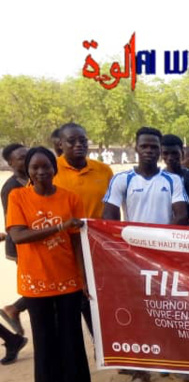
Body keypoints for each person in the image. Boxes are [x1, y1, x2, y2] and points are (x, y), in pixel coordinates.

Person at [6, 147, 92, 382]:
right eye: (35, 167)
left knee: (71, 335)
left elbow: (77, 241)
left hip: (67, 277)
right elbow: (18, 236)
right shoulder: (18, 197)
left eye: (46, 167)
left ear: (55, 169)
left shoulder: (70, 198)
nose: (41, 172)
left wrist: (83, 276)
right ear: (28, 171)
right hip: (36, 280)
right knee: (44, 338)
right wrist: (58, 227)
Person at [103, 127, 189, 382]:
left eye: (155, 147)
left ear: (160, 151)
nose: (150, 151)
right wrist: (127, 245)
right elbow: (108, 217)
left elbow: (181, 215)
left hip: (163, 257)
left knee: (167, 311)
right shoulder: (122, 180)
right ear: (136, 149)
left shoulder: (173, 180)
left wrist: (158, 245)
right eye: (145, 147)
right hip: (132, 257)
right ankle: (140, 371)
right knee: (137, 312)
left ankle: (172, 365)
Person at [53, 123, 113, 336]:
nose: (79, 145)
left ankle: (104, 346)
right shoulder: (49, 170)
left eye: (83, 141)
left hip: (97, 245)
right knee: (70, 301)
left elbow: (111, 208)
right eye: (72, 141)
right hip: (62, 247)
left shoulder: (103, 170)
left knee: (96, 296)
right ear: (60, 144)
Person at [0, 144, 29, 335]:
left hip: (37, 240)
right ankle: (14, 308)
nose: (26, 160)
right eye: (21, 158)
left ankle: (15, 308)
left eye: (27, 155)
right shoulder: (10, 188)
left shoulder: (32, 178)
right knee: (37, 284)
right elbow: (13, 223)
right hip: (23, 244)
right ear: (10, 163)